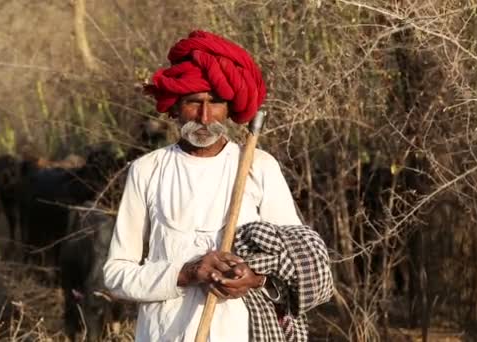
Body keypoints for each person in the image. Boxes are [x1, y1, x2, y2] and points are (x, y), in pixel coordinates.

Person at [103, 30, 333, 342]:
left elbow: (297, 257)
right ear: (174, 108)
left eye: (215, 102)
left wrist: (254, 279)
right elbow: (116, 276)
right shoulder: (147, 171)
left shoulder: (258, 166)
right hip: (166, 334)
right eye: (193, 103)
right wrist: (187, 273)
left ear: (229, 109)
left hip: (245, 333)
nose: (204, 116)